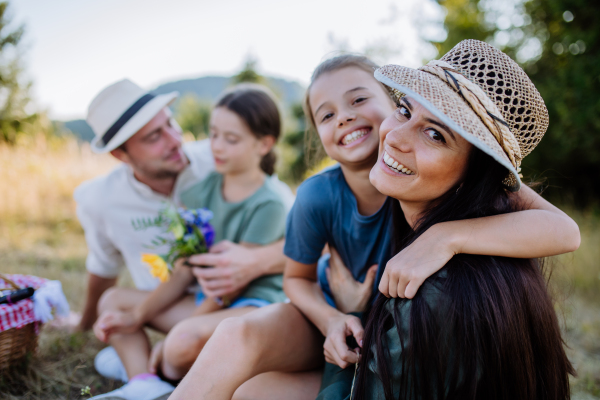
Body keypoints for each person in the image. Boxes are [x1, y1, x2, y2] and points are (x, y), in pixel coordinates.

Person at [169, 52, 579, 399]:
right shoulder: (331, 192)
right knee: (232, 344)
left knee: (250, 391)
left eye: (435, 134)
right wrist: (334, 316)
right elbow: (298, 278)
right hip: (341, 324)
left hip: (381, 345)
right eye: (406, 111)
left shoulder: (448, 246)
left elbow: (565, 230)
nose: (397, 136)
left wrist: (445, 236)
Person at [73, 80, 293, 390]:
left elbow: (303, 237)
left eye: (170, 124)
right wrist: (119, 318)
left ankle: (161, 368)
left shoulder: (224, 160)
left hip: (243, 305)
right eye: (154, 137)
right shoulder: (101, 199)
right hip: (196, 302)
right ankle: (145, 384)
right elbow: (106, 267)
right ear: (121, 155)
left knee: (181, 343)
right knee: (114, 302)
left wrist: (255, 261)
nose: (175, 140)